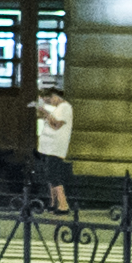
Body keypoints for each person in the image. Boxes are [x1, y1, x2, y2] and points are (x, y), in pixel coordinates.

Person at [28, 81, 77, 214]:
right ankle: (53, 203)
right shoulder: (58, 108)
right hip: (49, 148)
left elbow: (56, 124)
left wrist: (44, 110)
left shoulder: (64, 107)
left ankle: (63, 205)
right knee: (50, 176)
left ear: (55, 96)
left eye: (49, 100)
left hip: (55, 149)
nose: (50, 102)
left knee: (55, 176)